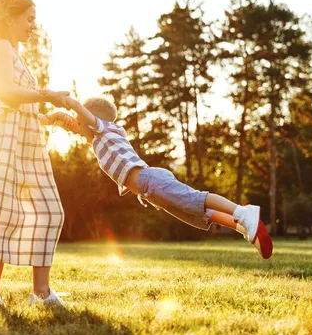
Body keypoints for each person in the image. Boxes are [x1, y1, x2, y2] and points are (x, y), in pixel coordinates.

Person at [51, 96, 273, 259]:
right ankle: (241, 226)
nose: (76, 127)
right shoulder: (98, 141)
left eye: (80, 122)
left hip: (151, 180)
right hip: (150, 192)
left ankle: (243, 212)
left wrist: (60, 98)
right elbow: (69, 123)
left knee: (195, 198)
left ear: (91, 120)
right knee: (198, 214)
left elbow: (79, 110)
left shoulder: (105, 129)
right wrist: (49, 118)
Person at [0, 0, 71, 309]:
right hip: (2, 142)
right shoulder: (1, 48)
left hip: (24, 142)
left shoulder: (14, 52)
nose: (34, 25)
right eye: (29, 18)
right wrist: (48, 95)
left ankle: (42, 293)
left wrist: (50, 117)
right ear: (11, 18)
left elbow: (19, 100)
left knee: (48, 211)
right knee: (0, 215)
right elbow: (7, 93)